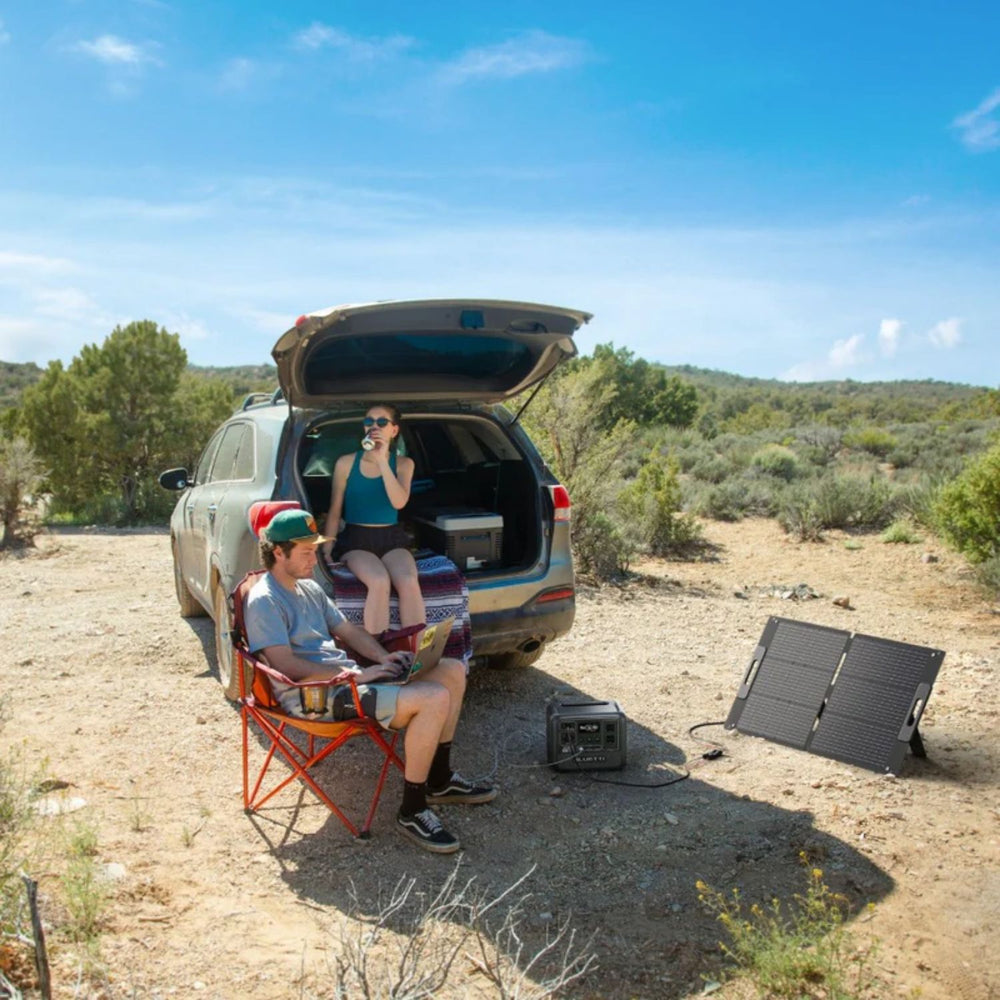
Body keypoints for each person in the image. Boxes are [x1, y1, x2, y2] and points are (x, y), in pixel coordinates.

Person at [245, 508, 495, 853]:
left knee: (452, 669)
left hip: (347, 682)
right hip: (314, 697)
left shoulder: (309, 589)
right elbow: (286, 665)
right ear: (278, 552)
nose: (313, 558)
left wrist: (382, 658)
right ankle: (412, 809)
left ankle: (439, 780)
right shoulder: (265, 600)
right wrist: (359, 675)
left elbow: (348, 630)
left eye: (314, 549)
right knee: (433, 698)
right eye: (305, 552)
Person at [323, 404, 425, 636]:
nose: (374, 427)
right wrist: (327, 548)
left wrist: (382, 461)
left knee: (409, 580)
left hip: (392, 537)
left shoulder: (404, 464)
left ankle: (415, 652)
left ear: (394, 430)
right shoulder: (346, 463)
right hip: (356, 539)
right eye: (369, 422)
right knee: (379, 581)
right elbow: (335, 508)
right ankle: (378, 655)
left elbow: (399, 502)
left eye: (382, 422)